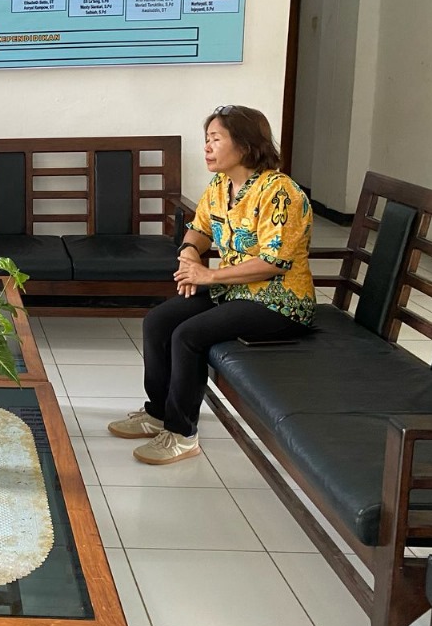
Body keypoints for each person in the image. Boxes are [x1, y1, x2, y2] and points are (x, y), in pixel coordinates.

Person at [107, 107, 315, 464]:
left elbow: (274, 262)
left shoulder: (280, 192)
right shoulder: (220, 185)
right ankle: (158, 413)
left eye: (215, 139)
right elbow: (200, 229)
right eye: (207, 139)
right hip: (233, 291)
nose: (206, 147)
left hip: (279, 302)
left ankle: (182, 434)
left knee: (188, 335)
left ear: (245, 145)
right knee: (158, 321)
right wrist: (189, 253)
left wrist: (209, 276)